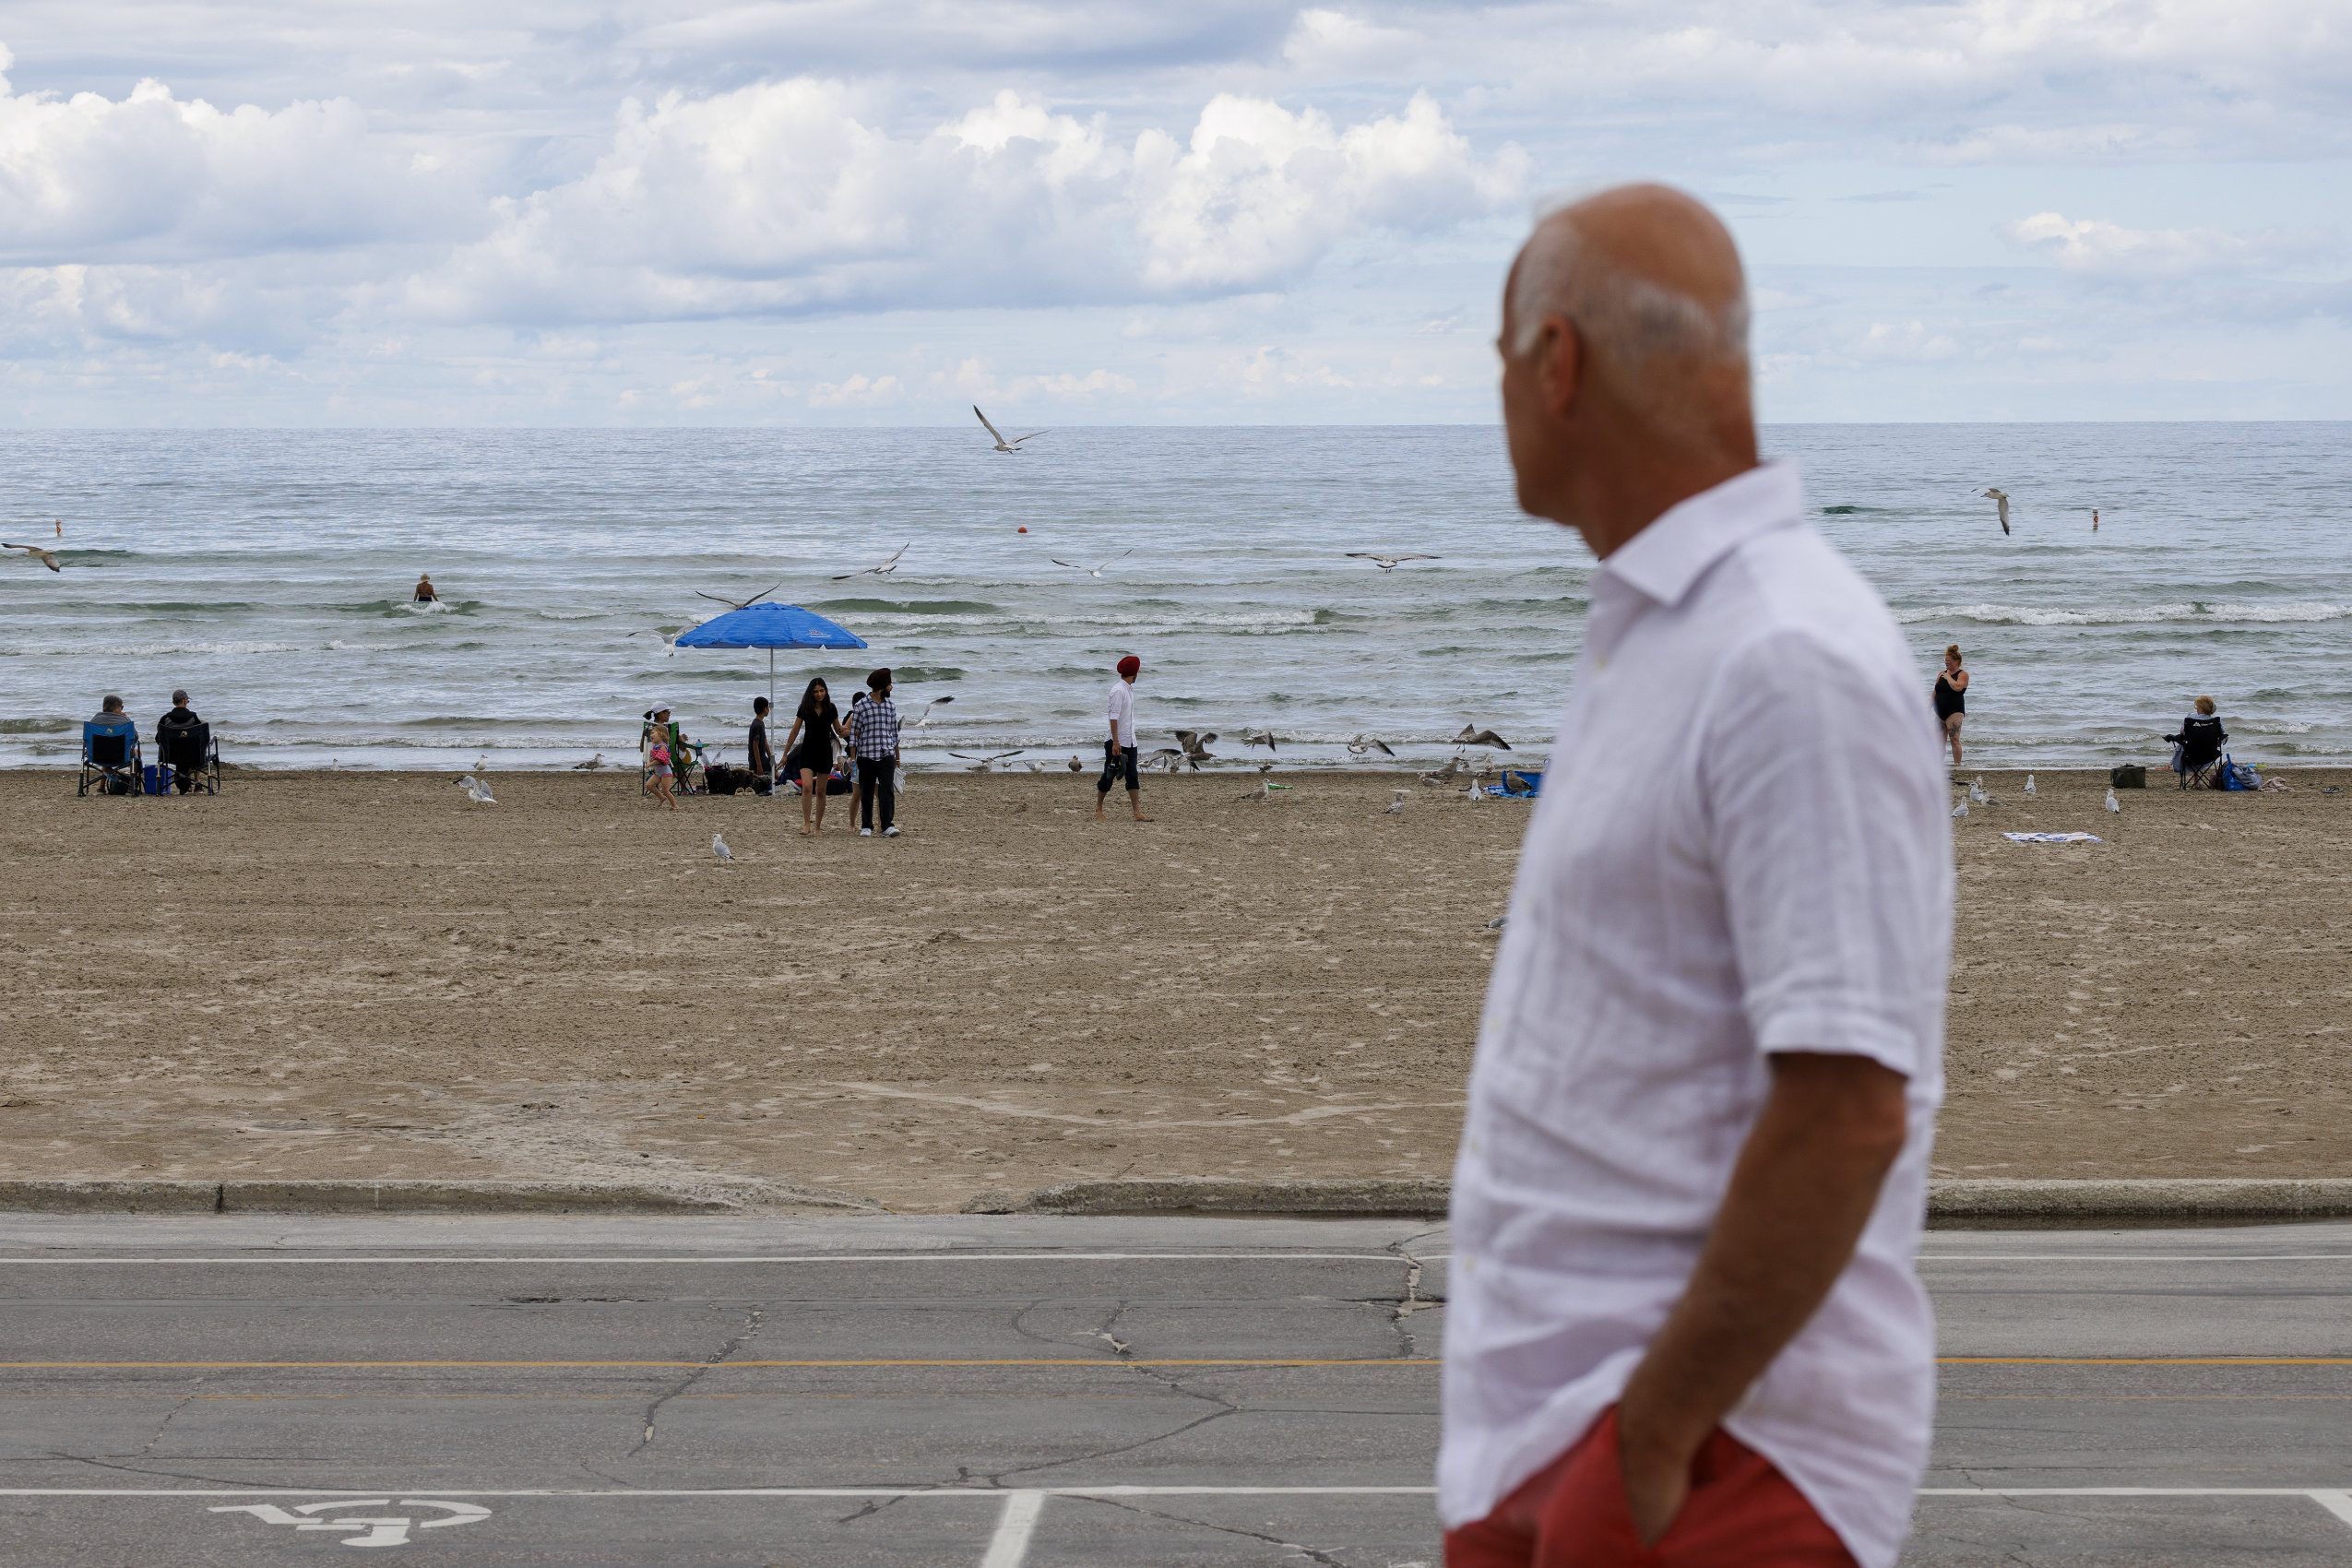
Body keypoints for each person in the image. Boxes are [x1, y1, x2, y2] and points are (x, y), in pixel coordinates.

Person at [1442, 185, 1950, 1568]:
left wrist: (1651, 1446)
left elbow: (1848, 1109)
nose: (1492, 393)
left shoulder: (1786, 657)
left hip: (1707, 1468)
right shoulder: (1662, 637)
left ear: (1555, 364)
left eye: (1493, 357)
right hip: (1562, 1443)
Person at [783, 678, 848, 836]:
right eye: (816, 691)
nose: (819, 694)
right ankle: (806, 824)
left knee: (820, 791)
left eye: (822, 690)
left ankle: (817, 826)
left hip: (825, 752)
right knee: (806, 787)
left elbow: (839, 730)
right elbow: (795, 731)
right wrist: (785, 754)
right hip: (808, 751)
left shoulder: (831, 708)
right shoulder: (804, 708)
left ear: (826, 691)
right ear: (811, 693)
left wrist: (855, 731)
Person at [1094, 655, 1150, 822]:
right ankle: (1098, 810)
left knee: (1132, 775)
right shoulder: (1118, 690)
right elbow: (1114, 717)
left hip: (1130, 740)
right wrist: (1116, 741)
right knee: (1109, 775)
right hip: (1116, 742)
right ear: (1135, 672)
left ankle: (1137, 812)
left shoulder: (1128, 689)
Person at [849, 668, 900, 838]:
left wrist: (897, 757)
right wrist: (853, 758)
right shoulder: (861, 706)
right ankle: (866, 826)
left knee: (887, 790)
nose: (891, 687)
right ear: (881, 686)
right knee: (867, 791)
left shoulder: (890, 705)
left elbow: (894, 734)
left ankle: (887, 826)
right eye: (889, 684)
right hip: (866, 755)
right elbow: (854, 735)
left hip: (886, 753)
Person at [2166, 695, 2227, 784]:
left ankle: (2195, 781)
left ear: (2202, 709)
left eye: (2197, 707)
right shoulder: (2216, 722)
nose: (2196, 709)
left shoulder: (2189, 720)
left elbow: (2181, 734)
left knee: (2189, 745)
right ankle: (2196, 781)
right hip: (2210, 755)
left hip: (2191, 755)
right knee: (2200, 744)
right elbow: (2221, 737)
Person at [157, 689, 202, 793]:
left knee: (185, 752)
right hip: (192, 756)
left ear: (173, 702)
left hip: (170, 756)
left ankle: (186, 783)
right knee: (195, 749)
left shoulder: (165, 718)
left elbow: (158, 739)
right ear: (185, 701)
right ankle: (197, 784)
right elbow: (202, 737)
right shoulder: (193, 717)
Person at [1932, 645, 1968, 769]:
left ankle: (1957, 765)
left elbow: (1958, 687)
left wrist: (1948, 677)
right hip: (1940, 712)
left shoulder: (1962, 674)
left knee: (1954, 739)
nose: (1946, 663)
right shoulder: (1941, 673)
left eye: (1949, 661)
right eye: (1945, 661)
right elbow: (1935, 691)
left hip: (1955, 711)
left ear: (1956, 661)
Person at [746, 696, 775, 797]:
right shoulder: (757, 725)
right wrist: (759, 765)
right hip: (757, 760)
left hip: (763, 758)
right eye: (768, 708)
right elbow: (755, 746)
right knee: (777, 776)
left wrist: (771, 758)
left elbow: (765, 742)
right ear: (764, 709)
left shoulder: (760, 723)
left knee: (775, 772)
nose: (769, 710)